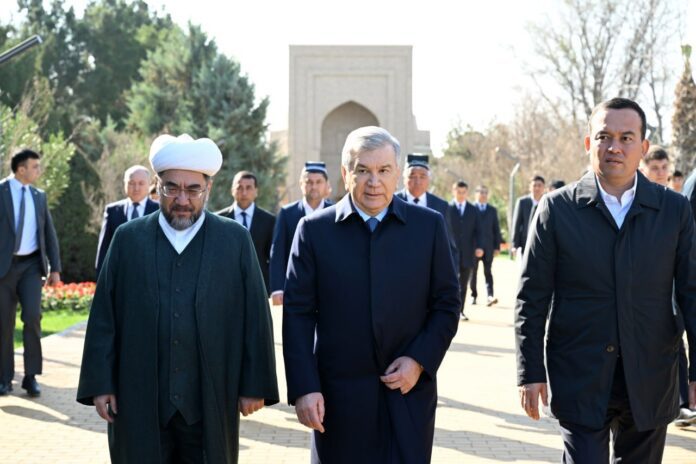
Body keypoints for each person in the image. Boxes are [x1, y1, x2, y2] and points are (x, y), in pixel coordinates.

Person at [77, 134, 279, 463]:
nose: (182, 199)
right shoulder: (128, 239)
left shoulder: (235, 240)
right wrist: (101, 383)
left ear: (208, 189)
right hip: (138, 395)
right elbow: (104, 316)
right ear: (157, 187)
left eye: (193, 189)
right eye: (172, 188)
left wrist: (255, 384)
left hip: (211, 396)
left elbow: (256, 316)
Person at [516, 98, 696, 463]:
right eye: (604, 136)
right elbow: (531, 297)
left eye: (627, 138)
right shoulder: (557, 209)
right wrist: (529, 372)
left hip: (651, 373)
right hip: (579, 373)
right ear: (588, 143)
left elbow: (692, 292)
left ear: (643, 147)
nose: (615, 147)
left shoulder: (673, 210)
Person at [282, 126, 460, 463]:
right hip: (336, 401)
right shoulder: (314, 232)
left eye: (383, 170)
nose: (374, 182)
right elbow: (298, 315)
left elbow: (447, 304)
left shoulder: (429, 226)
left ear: (397, 173)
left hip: (407, 395)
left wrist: (419, 360)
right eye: (363, 170)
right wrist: (305, 387)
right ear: (345, 173)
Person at [0, 148, 61, 397]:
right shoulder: (1, 191)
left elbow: (49, 233)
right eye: (35, 166)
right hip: (4, 268)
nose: (39, 170)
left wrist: (55, 268)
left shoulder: (39, 196)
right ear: (21, 168)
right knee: (4, 324)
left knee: (33, 318)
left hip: (31, 267)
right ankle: (4, 378)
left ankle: (31, 376)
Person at [269, 161, 331, 306]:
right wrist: (277, 289)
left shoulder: (336, 212)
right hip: (295, 288)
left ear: (326, 185)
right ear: (301, 184)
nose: (314, 186)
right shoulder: (287, 213)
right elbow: (278, 252)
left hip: (330, 288)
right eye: (309, 182)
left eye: (318, 182)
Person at [217, 171, 276, 293]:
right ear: (232, 190)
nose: (244, 192)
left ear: (256, 191)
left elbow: (273, 257)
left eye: (248, 188)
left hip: (260, 286)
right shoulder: (219, 219)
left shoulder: (269, 220)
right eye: (239, 187)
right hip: (226, 285)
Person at [95, 165, 159, 276]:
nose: (136, 188)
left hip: (151, 277)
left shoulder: (160, 211)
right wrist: (101, 277)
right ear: (125, 184)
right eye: (131, 183)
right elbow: (104, 248)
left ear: (149, 184)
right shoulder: (112, 211)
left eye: (141, 183)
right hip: (119, 276)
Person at [448, 181, 483, 321]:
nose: (461, 195)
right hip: (450, 253)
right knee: (450, 283)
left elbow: (479, 230)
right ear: (453, 191)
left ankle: (460, 311)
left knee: (463, 284)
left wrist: (479, 247)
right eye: (458, 192)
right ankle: (447, 310)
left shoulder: (473, 210)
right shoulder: (447, 208)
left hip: (468, 254)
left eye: (463, 192)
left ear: (467, 193)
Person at [470, 185, 502, 306]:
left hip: (489, 248)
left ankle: (490, 296)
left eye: (485, 193)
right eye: (481, 192)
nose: (483, 195)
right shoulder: (471, 209)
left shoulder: (492, 210)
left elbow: (496, 229)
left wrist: (497, 247)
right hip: (473, 248)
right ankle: (473, 295)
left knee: (488, 272)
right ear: (476, 194)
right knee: (473, 273)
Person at [511, 175, 545, 260]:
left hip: (543, 242)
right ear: (530, 187)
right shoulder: (522, 202)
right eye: (534, 185)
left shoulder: (547, 201)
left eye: (539, 185)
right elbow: (517, 224)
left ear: (543, 187)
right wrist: (514, 245)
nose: (537, 188)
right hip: (525, 242)